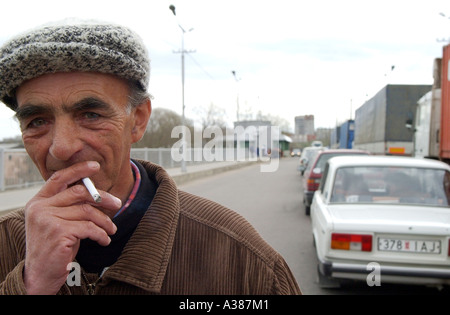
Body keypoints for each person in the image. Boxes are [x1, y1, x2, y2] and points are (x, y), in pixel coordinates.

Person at [0, 20, 301, 295]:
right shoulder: (5, 242)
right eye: (37, 121)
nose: (61, 148)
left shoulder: (240, 257)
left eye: (90, 114)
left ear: (138, 120)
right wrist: (31, 284)